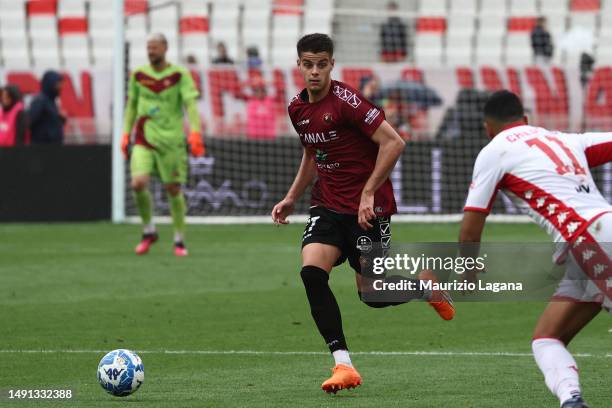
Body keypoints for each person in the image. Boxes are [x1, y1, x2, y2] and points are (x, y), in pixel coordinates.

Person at [271, 33, 454, 394]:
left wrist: (368, 192)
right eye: (308, 64)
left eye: (321, 64)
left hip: (368, 209)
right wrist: (293, 196)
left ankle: (422, 288)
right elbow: (312, 153)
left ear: (331, 65)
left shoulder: (347, 101)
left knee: (372, 294)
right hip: (326, 204)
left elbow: (394, 142)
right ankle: (343, 365)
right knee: (311, 273)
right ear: (299, 66)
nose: (314, 72)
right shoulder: (297, 109)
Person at [459, 90, 612, 408]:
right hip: (589, 244)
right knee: (546, 338)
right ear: (526, 119)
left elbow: (471, 228)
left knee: (546, 341)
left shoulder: (494, 150)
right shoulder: (569, 140)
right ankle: (571, 400)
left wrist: (468, 270)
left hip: (588, 240)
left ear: (488, 127)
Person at [122, 33, 205, 257]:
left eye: (155, 47)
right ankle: (148, 230)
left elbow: (190, 104)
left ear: (165, 48)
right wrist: (125, 133)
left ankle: (179, 239)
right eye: (148, 47)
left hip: (172, 141)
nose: (151, 51)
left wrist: (195, 132)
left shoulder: (179, 75)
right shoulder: (138, 75)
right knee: (138, 183)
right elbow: (131, 106)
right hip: (144, 138)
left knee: (173, 189)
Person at [29, 70, 65, 145]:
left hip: (53, 148)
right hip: (43, 149)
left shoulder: (51, 101)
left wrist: (60, 119)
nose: (61, 86)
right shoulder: (40, 100)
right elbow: (31, 121)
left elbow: (49, 121)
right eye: (58, 83)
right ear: (50, 83)